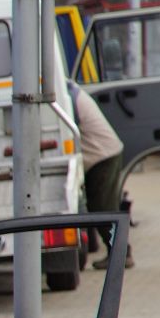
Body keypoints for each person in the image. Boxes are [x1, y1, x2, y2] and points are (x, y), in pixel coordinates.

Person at [68, 80, 130, 268]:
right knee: (102, 208)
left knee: (103, 209)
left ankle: (122, 255)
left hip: (102, 155)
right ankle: (119, 254)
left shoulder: (67, 96)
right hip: (103, 153)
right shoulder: (70, 90)